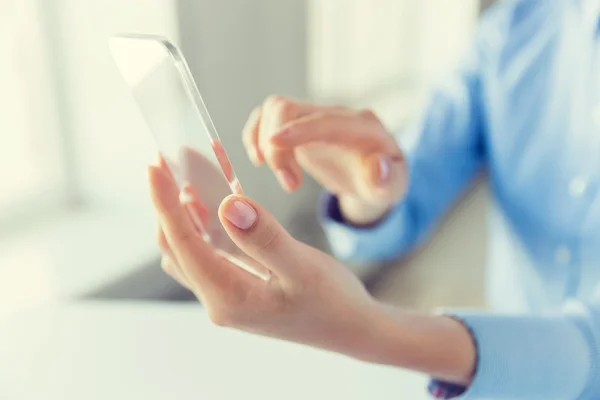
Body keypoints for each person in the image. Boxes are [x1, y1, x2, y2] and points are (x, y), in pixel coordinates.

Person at [148, 1, 600, 399]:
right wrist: (368, 191)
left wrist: (373, 332)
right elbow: (410, 195)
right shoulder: (512, 30)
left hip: (493, 363)